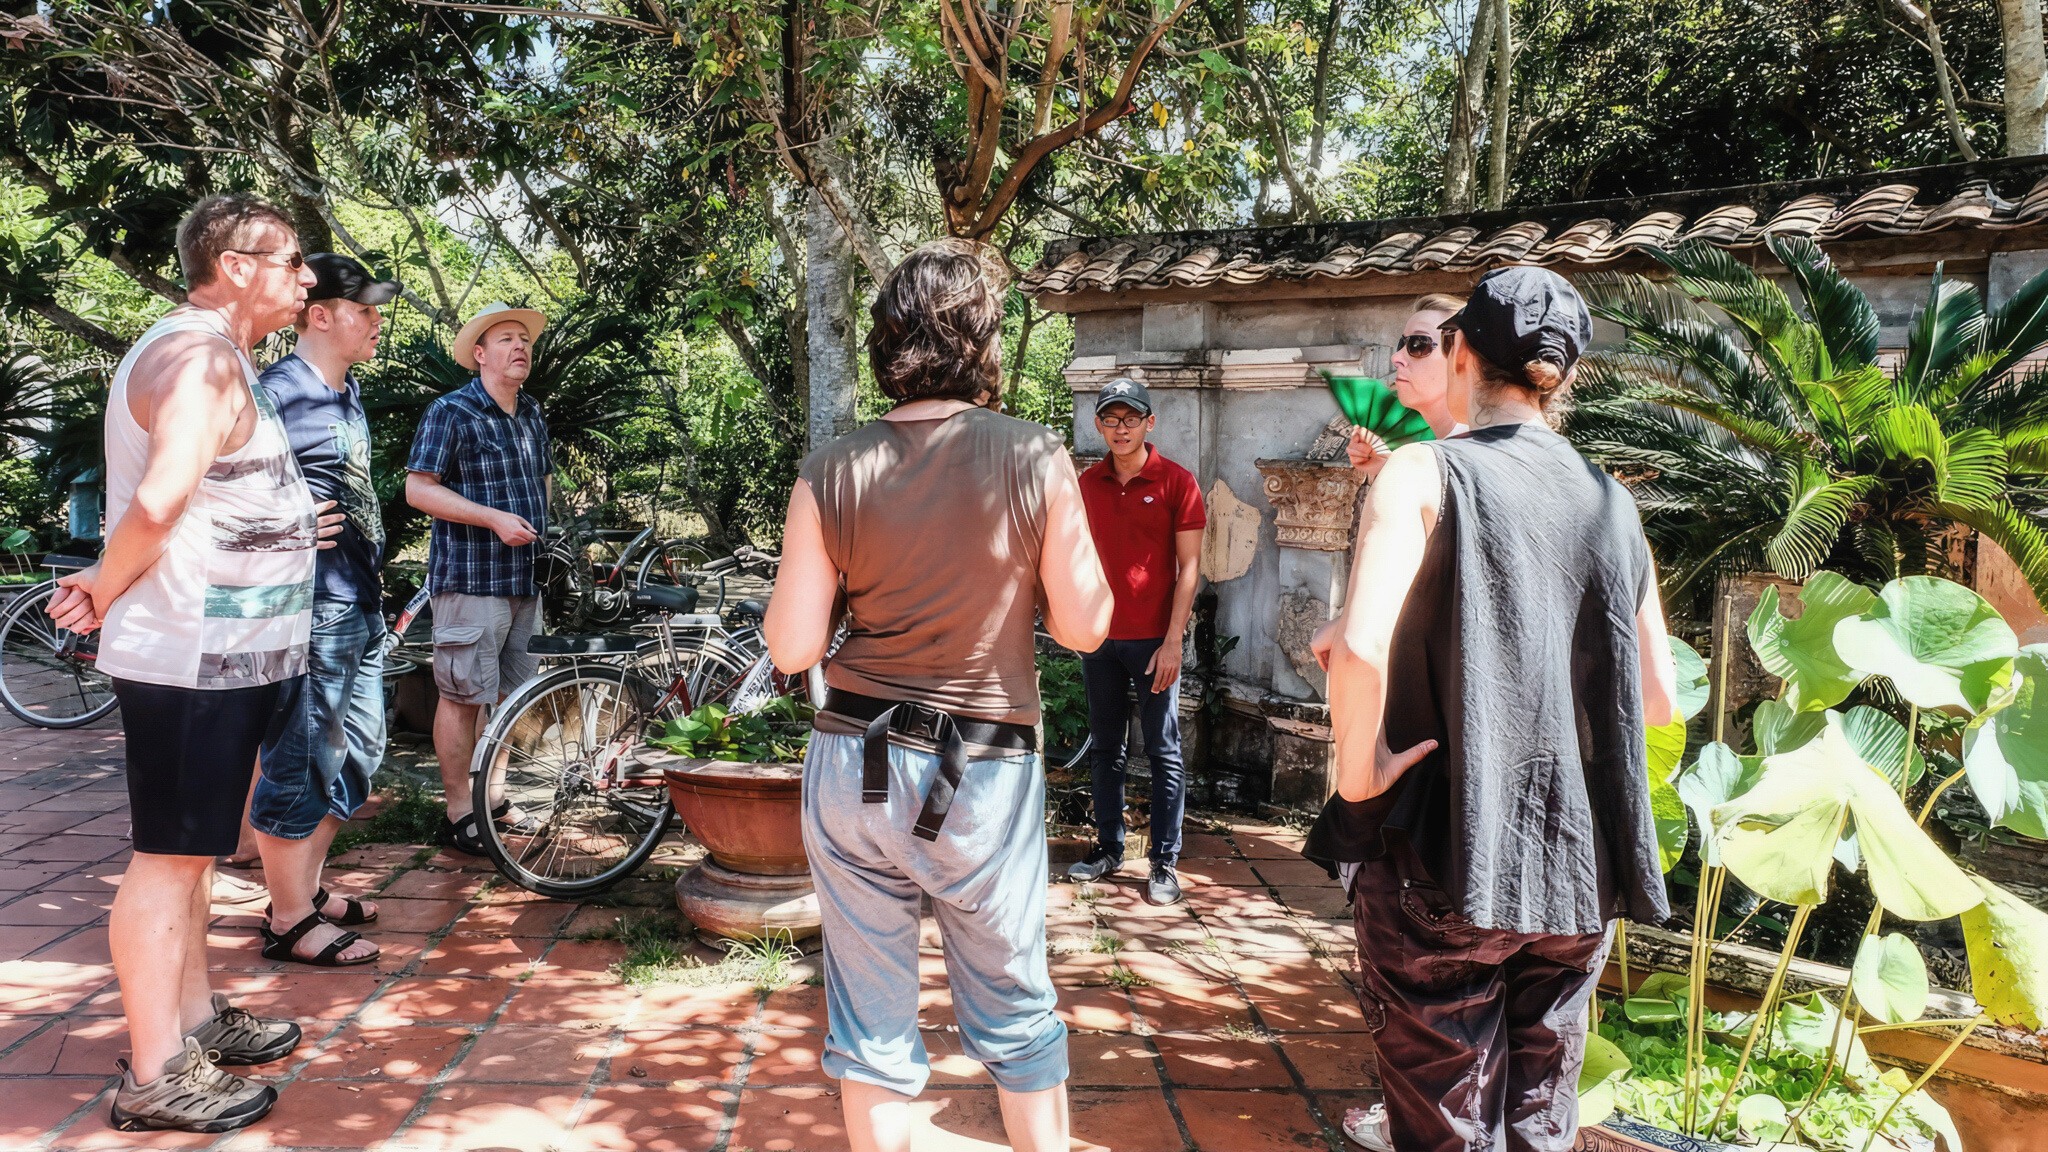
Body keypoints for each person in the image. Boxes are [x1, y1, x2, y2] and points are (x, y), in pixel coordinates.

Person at [1303, 266, 1678, 1152]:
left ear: (1462, 352)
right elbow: (1658, 699)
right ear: (1568, 376)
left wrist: (1361, 780)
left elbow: (1359, 648)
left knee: (1443, 1125)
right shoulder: (1613, 503)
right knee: (1538, 1123)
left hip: (1447, 853)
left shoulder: (1423, 472)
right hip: (1577, 873)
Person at [764, 238, 1113, 1152]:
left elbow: (793, 643)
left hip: (855, 760)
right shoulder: (1035, 456)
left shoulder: (831, 469)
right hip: (984, 771)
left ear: (887, 340)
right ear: (983, 340)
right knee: (1015, 1010)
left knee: (871, 1025)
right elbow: (1084, 628)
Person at [46, 193, 343, 1132]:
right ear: (237, 267)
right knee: (167, 863)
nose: (306, 279)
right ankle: (155, 1072)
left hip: (227, 657)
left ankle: (196, 1021)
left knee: (196, 854)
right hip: (191, 657)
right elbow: (163, 499)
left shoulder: (215, 357)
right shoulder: (199, 359)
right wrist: (98, 587)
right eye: (292, 261)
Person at [249, 253, 402, 966]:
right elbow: (219, 486)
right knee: (304, 759)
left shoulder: (346, 392)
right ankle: (286, 919)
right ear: (319, 315)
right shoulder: (274, 392)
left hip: (359, 600)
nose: (376, 321)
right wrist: (285, 520)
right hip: (311, 609)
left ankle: (303, 891)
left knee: (360, 752)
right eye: (364, 309)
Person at [404, 302, 551, 855]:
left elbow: (541, 482)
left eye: (525, 339)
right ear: (480, 355)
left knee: (512, 696)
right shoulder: (452, 411)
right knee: (463, 694)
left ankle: (492, 799)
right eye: (507, 339)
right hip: (469, 576)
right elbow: (419, 490)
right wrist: (491, 518)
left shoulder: (531, 411)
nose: (520, 347)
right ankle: (458, 812)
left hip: (525, 577)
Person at [1064, 377, 1205, 906]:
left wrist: (1173, 642)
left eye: (1131, 418)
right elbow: (1070, 558)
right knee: (1106, 749)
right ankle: (1107, 847)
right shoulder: (1085, 484)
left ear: (1150, 422)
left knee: (1164, 750)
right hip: (1099, 638)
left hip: (1153, 642)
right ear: (1099, 425)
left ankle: (1164, 862)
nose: (1120, 428)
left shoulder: (1176, 482)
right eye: (1110, 419)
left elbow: (1190, 568)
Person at [1345, 292, 1467, 478]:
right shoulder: (1448, 453)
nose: (1396, 358)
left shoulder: (1468, 456)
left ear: (1462, 358)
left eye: (1418, 344)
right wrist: (1384, 469)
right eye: (1401, 343)